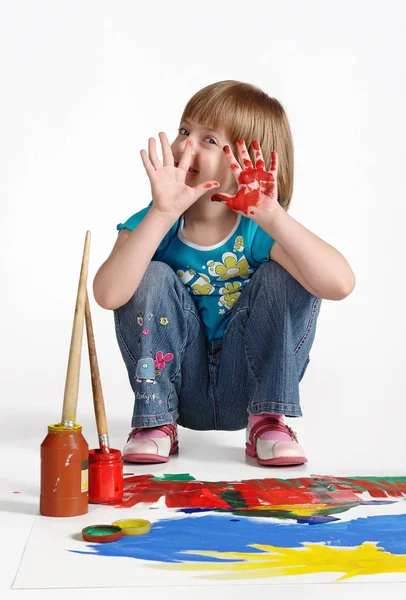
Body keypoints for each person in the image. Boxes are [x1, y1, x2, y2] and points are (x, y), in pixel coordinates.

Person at [93, 80, 356, 467]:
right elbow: (107, 294)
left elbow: (340, 284)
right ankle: (155, 423)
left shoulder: (259, 231)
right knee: (147, 273)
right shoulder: (155, 223)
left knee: (290, 273)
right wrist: (161, 214)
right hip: (180, 387)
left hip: (250, 388)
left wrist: (272, 215)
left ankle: (270, 421)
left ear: (249, 160)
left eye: (209, 140)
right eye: (185, 131)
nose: (186, 145)